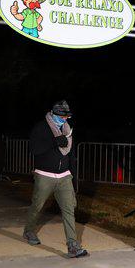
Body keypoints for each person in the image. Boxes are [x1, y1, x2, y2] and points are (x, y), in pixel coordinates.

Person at [23, 100, 88, 258]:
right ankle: (29, 231)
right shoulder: (41, 127)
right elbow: (34, 149)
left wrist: (73, 177)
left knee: (69, 209)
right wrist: (54, 142)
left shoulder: (67, 130)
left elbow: (71, 155)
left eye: (66, 117)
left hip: (64, 176)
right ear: (53, 114)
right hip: (44, 175)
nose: (64, 119)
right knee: (37, 206)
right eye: (61, 117)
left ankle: (72, 246)